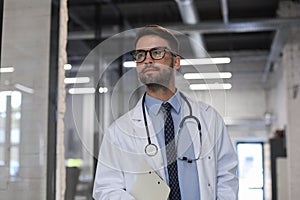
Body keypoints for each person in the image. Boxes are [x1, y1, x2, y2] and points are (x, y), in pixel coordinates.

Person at [93, 25, 238, 200]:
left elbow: (226, 176)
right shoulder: (118, 132)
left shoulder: (208, 118)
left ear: (175, 62)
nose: (147, 60)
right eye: (140, 55)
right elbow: (106, 189)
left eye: (157, 53)